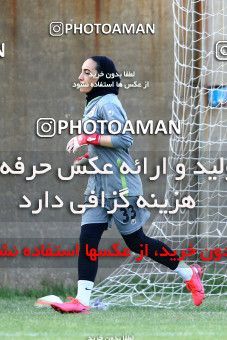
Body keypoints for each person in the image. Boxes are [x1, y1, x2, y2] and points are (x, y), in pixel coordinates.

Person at [51, 56, 205, 314]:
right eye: (81, 71)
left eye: (86, 72)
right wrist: (89, 153)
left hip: (121, 186)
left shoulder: (109, 102)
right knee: (88, 237)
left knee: (137, 242)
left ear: (101, 77)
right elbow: (104, 141)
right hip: (98, 187)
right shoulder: (94, 103)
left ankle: (188, 272)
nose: (80, 77)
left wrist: (85, 137)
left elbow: (124, 139)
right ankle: (82, 302)